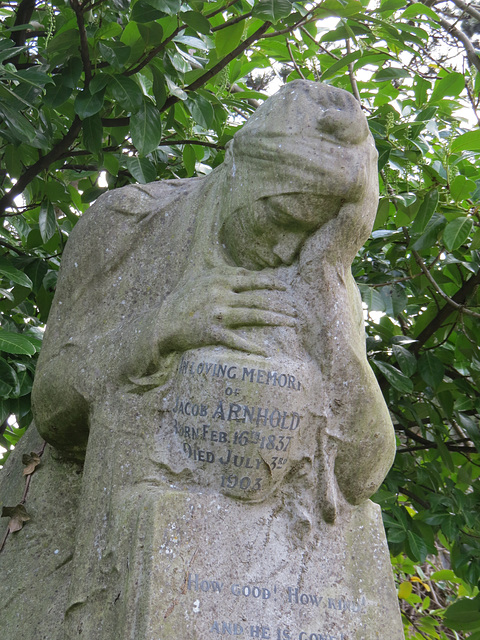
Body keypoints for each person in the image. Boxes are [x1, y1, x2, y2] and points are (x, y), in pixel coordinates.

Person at [31, 81, 396, 638]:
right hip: (123, 556)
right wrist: (160, 328)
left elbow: (363, 473)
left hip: (293, 580)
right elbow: (52, 408)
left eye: (307, 235)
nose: (283, 250)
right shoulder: (130, 222)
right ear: (245, 174)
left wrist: (330, 286)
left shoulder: (320, 271)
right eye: (279, 219)